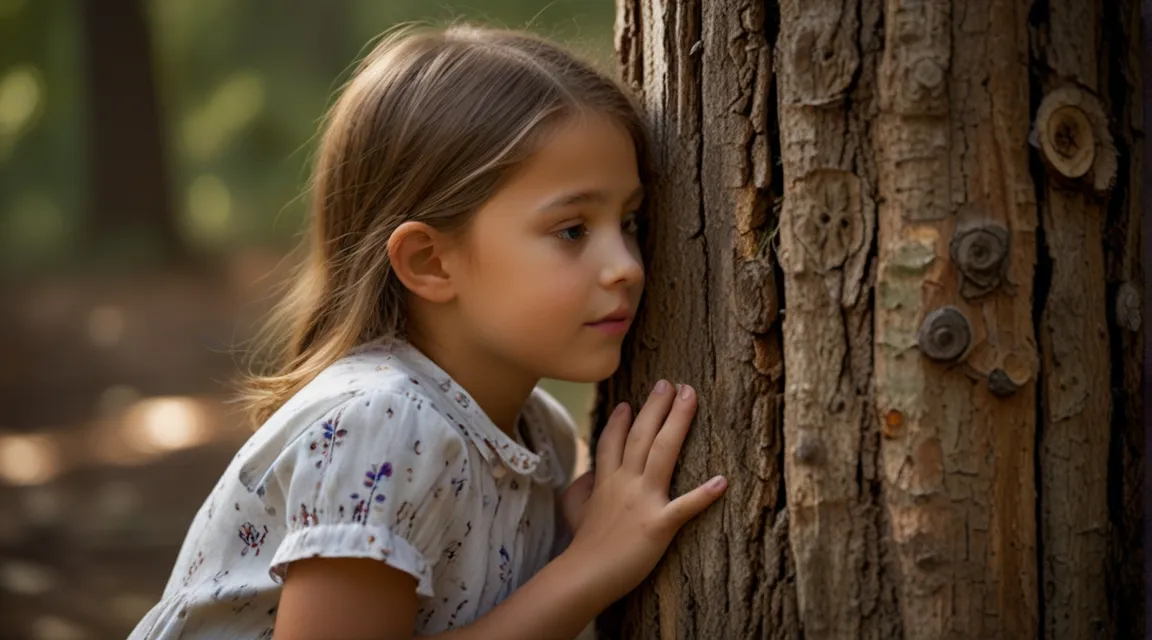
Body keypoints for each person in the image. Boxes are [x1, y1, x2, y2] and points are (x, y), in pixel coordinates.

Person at [128, 23, 728, 640]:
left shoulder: (536, 433)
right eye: (572, 229)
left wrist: (565, 542)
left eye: (629, 220)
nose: (627, 265)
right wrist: (589, 567)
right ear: (429, 262)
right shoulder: (381, 423)